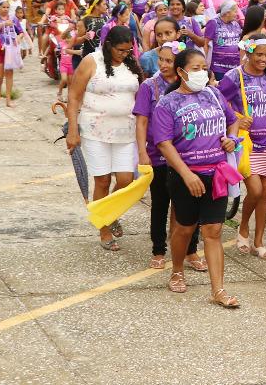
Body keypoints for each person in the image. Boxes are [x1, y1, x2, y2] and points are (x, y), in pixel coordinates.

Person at [150, 47, 241, 308]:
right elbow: (164, 144)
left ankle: (218, 290)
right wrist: (187, 174)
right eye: (195, 69)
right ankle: (177, 269)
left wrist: (231, 140)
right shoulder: (168, 104)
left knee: (213, 231)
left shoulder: (214, 94)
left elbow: (232, 120)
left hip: (217, 173)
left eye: (204, 68)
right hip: (185, 176)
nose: (202, 73)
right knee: (185, 228)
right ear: (180, 72)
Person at [67, 25, 142, 251]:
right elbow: (73, 96)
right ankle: (104, 228)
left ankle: (109, 210)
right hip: (94, 131)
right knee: (102, 180)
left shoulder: (131, 64)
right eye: (120, 50)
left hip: (126, 131)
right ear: (108, 45)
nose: (125, 54)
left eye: (129, 50)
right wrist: (72, 130)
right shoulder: (92, 61)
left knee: (126, 180)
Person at [134, 41, 205, 272]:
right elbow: (142, 120)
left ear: (180, 66)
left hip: (189, 156)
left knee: (189, 207)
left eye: (169, 61)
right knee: (160, 204)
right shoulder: (150, 86)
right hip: (159, 156)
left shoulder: (192, 87)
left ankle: (190, 250)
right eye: (160, 59)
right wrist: (143, 152)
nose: (163, 65)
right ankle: (158, 249)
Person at [219, 37, 266, 261]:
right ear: (248, 54)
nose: (264, 59)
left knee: (265, 192)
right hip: (246, 142)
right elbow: (219, 103)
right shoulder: (234, 76)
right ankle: (244, 226)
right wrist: (238, 118)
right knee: (255, 190)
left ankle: (259, 241)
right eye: (259, 54)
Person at [0, 0, 25, 107]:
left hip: (10, 49)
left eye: (7, 7)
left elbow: (21, 32)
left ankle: (8, 99)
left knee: (9, 74)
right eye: (3, 7)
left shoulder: (13, 18)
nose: (5, 9)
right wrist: (3, 24)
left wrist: (18, 37)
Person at [204, 0, 242, 82]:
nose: (237, 14)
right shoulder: (213, 23)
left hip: (234, 66)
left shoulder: (236, 24)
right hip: (218, 67)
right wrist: (204, 63)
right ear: (227, 12)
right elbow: (205, 44)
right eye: (235, 11)